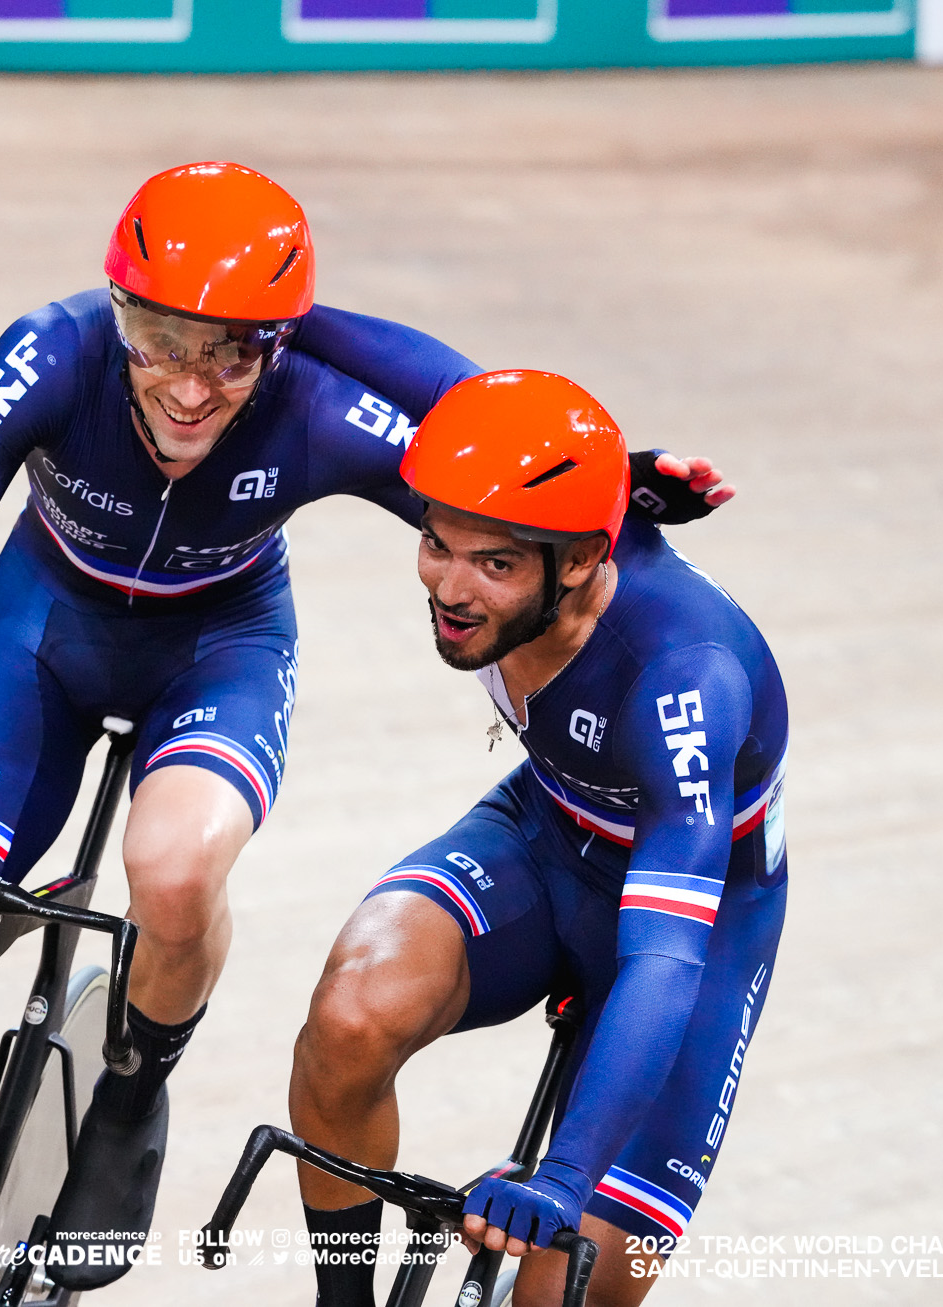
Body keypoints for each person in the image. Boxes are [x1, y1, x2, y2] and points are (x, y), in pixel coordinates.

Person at [0, 161, 730, 1292]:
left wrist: (597, 485)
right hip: (35, 640)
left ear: (278, 344)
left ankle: (128, 1094)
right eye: (157, 341)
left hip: (220, 648)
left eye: (229, 351)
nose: (191, 388)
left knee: (175, 867)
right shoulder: (49, 353)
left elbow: (492, 460)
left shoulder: (319, 411)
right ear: (114, 311)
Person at [286, 370, 788, 1307]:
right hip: (549, 833)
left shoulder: (685, 676)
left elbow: (668, 956)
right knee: (349, 1018)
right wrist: (217, 340)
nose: (452, 585)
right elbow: (417, 375)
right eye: (437, 543)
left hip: (695, 925)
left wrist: (562, 1178)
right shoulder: (513, 514)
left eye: (497, 565)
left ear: (582, 561)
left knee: (563, 1288)